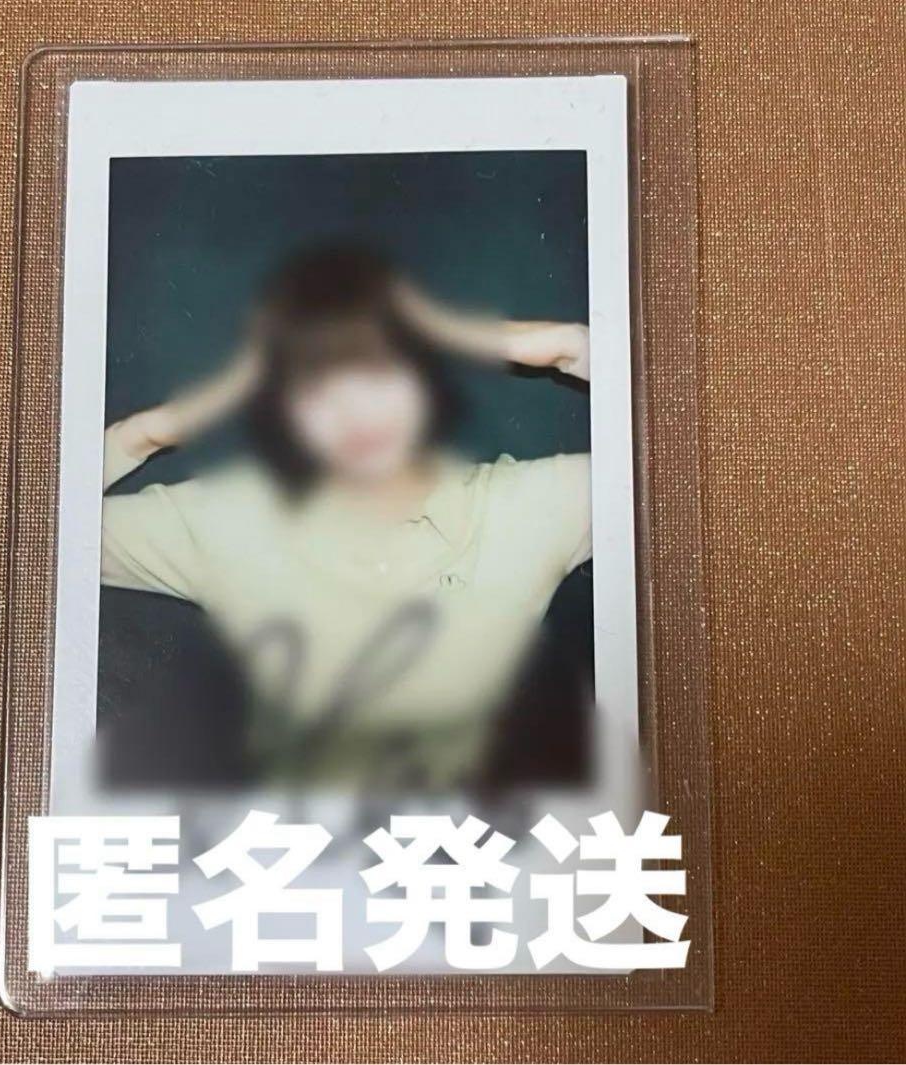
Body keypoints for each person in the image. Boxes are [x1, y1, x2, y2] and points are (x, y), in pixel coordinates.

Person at [100, 245, 591, 790]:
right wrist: (146, 435)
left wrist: (570, 347)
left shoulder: (524, 506)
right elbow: (31, 536)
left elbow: (670, 466)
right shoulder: (228, 524)